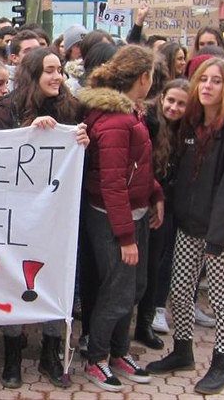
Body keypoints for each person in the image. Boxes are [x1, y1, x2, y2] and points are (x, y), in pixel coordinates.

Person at [146, 58, 224, 396]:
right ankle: (182, 351)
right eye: (203, 80)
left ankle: (221, 365)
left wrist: (217, 238)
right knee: (180, 294)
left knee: (222, 299)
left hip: (222, 232)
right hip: (188, 227)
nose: (208, 86)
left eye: (216, 81)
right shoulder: (192, 125)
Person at [0, 47, 89, 388]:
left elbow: (79, 161)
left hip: (56, 215)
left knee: (55, 278)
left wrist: (81, 140)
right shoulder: (9, 107)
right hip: (17, 214)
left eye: (60, 70)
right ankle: (12, 357)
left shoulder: (73, 108)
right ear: (34, 75)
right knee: (13, 280)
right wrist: (28, 131)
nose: (57, 77)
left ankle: (51, 353)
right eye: (49, 70)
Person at [78, 45, 164, 392]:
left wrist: (155, 193)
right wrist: (125, 237)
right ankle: (97, 357)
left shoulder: (131, 114)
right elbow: (113, 184)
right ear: (143, 78)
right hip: (115, 219)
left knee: (135, 287)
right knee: (117, 291)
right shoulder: (115, 121)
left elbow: (136, 166)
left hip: (135, 213)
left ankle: (118, 351)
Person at [135, 79, 190, 347]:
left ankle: (145, 323)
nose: (174, 107)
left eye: (181, 104)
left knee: (155, 265)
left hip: (168, 203)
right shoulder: (149, 122)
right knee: (142, 267)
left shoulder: (188, 128)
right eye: (171, 100)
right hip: (146, 199)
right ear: (162, 97)